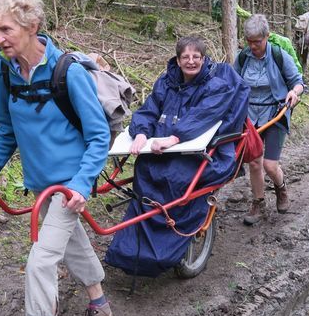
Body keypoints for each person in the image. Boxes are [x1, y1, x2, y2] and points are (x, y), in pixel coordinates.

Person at [0, 0, 114, 316]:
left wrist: (82, 185)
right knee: (71, 244)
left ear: (31, 25)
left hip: (68, 185)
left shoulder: (68, 71)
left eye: (6, 29)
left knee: (40, 261)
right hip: (40, 185)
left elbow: (98, 136)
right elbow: (6, 130)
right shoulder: (5, 72)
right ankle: (101, 310)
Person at [105, 36, 250, 276]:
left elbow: (204, 115)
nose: (191, 61)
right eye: (186, 57)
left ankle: (166, 251)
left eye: (196, 57)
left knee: (176, 179)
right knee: (144, 171)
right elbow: (149, 110)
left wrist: (175, 138)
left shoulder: (215, 85)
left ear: (203, 59)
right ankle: (132, 250)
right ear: (178, 59)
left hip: (198, 152)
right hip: (161, 151)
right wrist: (140, 133)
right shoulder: (167, 82)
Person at [234, 14, 304, 225]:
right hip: (250, 117)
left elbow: (298, 82)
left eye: (257, 41)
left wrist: (293, 93)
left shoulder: (279, 55)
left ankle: (281, 189)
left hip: (275, 113)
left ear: (267, 37)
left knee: (270, 165)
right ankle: (258, 203)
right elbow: (232, 81)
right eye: (249, 41)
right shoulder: (243, 57)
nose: (253, 46)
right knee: (254, 163)